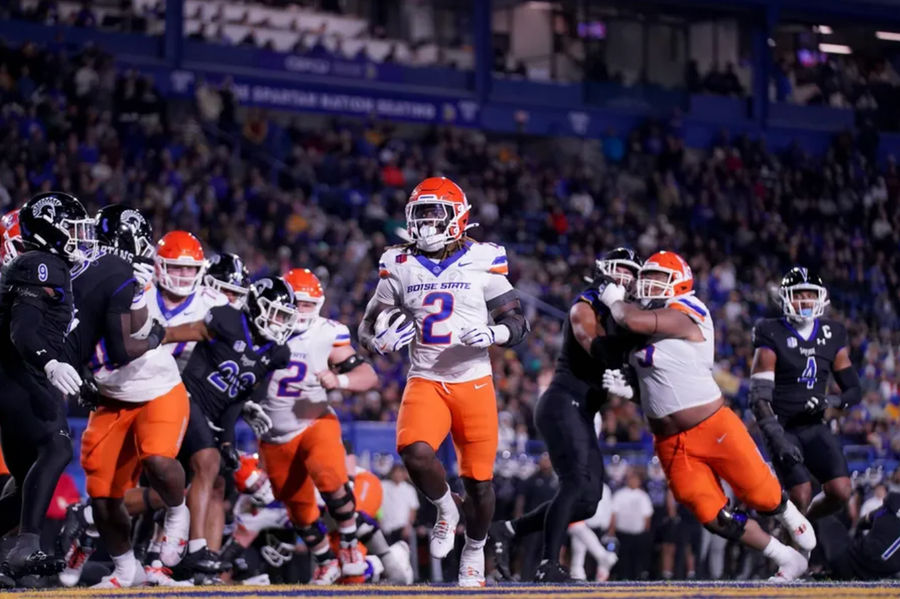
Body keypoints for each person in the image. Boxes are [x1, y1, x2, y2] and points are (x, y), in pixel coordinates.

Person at [599, 250, 815, 581]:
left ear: (680, 283)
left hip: (712, 425)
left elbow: (631, 320)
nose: (649, 284)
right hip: (669, 440)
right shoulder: (639, 320)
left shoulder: (689, 309)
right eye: (647, 277)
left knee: (760, 494)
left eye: (658, 278)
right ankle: (784, 557)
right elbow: (663, 382)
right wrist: (634, 393)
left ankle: (787, 513)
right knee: (713, 516)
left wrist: (615, 301)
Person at [358, 177, 529, 586]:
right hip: (427, 378)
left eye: (436, 215)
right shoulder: (399, 264)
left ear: (459, 217)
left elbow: (517, 322)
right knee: (413, 452)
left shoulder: (483, 259)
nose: (427, 224)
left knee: (480, 485)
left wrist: (495, 334)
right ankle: (445, 508)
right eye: (420, 215)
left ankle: (474, 547)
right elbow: (365, 326)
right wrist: (376, 342)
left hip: (473, 382)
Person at [489, 248, 642, 582]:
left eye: (632, 272)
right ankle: (548, 564)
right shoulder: (585, 305)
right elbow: (596, 347)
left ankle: (507, 529)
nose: (625, 278)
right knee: (574, 482)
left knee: (588, 501)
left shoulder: (627, 315)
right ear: (605, 272)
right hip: (561, 402)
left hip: (582, 411)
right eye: (621, 270)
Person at [68, 206, 189, 588]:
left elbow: (127, 343)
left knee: (157, 457)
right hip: (112, 396)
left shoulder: (138, 280)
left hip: (156, 389)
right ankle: (125, 569)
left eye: (102, 239)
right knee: (102, 494)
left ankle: (176, 510)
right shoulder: (83, 276)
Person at [161, 277, 293, 579]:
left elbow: (239, 396)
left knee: (206, 482)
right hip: (186, 398)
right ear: (258, 306)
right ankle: (197, 549)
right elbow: (176, 334)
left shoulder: (276, 353)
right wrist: (147, 340)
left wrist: (227, 440)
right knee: (207, 464)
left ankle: (184, 558)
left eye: (286, 316)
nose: (280, 322)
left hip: (214, 415)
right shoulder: (229, 319)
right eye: (276, 313)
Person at [257, 268, 378, 584]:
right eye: (296, 304)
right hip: (273, 433)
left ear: (320, 305)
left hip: (314, 420)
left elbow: (368, 376)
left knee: (328, 475)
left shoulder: (327, 333)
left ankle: (350, 543)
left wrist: (339, 379)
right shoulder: (259, 326)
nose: (300, 312)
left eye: (309, 305)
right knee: (297, 506)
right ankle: (326, 561)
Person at [0, 192, 89, 577]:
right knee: (55, 449)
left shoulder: (50, 265)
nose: (78, 236)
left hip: (19, 378)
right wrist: (50, 363)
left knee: (24, 485)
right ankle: (26, 545)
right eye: (71, 228)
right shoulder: (41, 263)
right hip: (21, 377)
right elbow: (23, 331)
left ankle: (16, 550)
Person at [750, 267, 859, 521]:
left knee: (841, 491)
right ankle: (788, 551)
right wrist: (777, 439)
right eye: (799, 295)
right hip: (782, 425)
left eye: (810, 294)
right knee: (800, 493)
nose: (805, 301)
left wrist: (831, 400)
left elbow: (854, 389)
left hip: (813, 425)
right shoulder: (771, 331)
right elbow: (758, 398)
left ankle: (799, 527)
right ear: (785, 297)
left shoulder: (832, 333)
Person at [818, 490, 900, 580]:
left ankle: (816, 566)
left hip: (847, 561)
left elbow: (862, 523)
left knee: (821, 514)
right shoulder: (892, 503)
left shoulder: (893, 502)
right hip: (877, 577)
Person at [608, 468, 653, 579]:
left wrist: (646, 532)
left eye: (635, 479)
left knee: (638, 558)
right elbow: (614, 513)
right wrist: (611, 531)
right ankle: (622, 577)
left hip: (638, 533)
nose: (633, 481)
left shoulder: (643, 496)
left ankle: (637, 576)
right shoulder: (620, 494)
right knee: (623, 558)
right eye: (631, 479)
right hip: (622, 532)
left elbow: (647, 515)